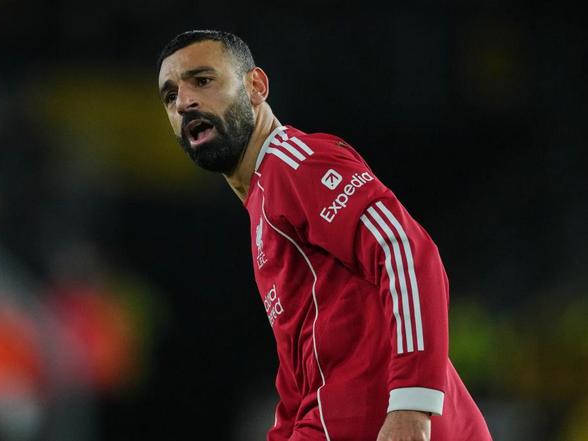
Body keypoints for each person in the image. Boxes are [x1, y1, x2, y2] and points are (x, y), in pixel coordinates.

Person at [157, 30, 492, 441]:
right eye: (170, 95)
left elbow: (404, 252)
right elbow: (303, 369)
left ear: (256, 86)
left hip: (383, 422)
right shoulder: (263, 201)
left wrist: (412, 403)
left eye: (203, 80)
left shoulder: (295, 164)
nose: (184, 102)